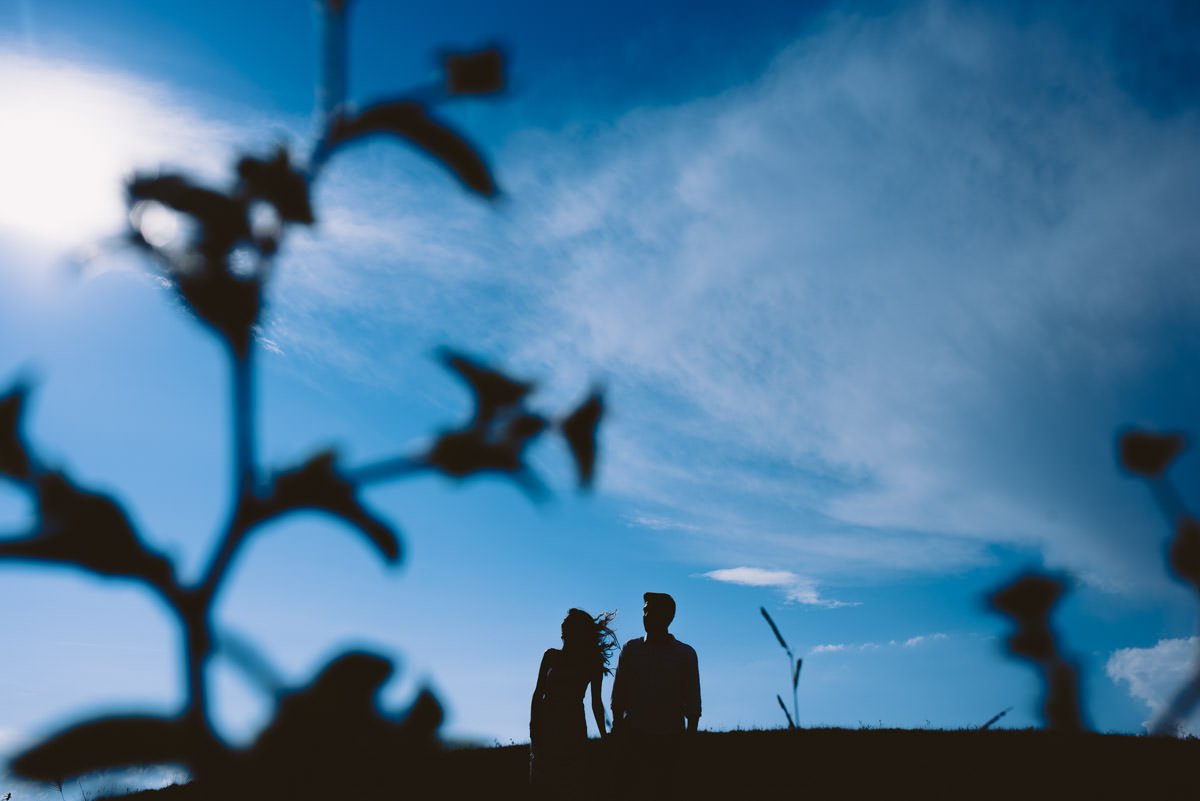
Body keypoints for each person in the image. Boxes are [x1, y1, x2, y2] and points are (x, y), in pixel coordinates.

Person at [610, 592, 701, 798]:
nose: (646, 616)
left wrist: (690, 740)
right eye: (645, 611)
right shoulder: (631, 649)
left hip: (670, 739)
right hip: (635, 737)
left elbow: (693, 699)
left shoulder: (685, 654)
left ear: (667, 616)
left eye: (651, 611)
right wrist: (618, 729)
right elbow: (619, 692)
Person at [529, 608, 619, 796]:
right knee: (543, 783)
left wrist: (604, 736)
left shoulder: (591, 662)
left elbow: (596, 702)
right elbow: (538, 694)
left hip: (573, 726)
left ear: (577, 629)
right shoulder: (550, 656)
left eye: (568, 622)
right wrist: (534, 726)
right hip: (547, 724)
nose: (563, 625)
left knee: (569, 782)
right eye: (564, 622)